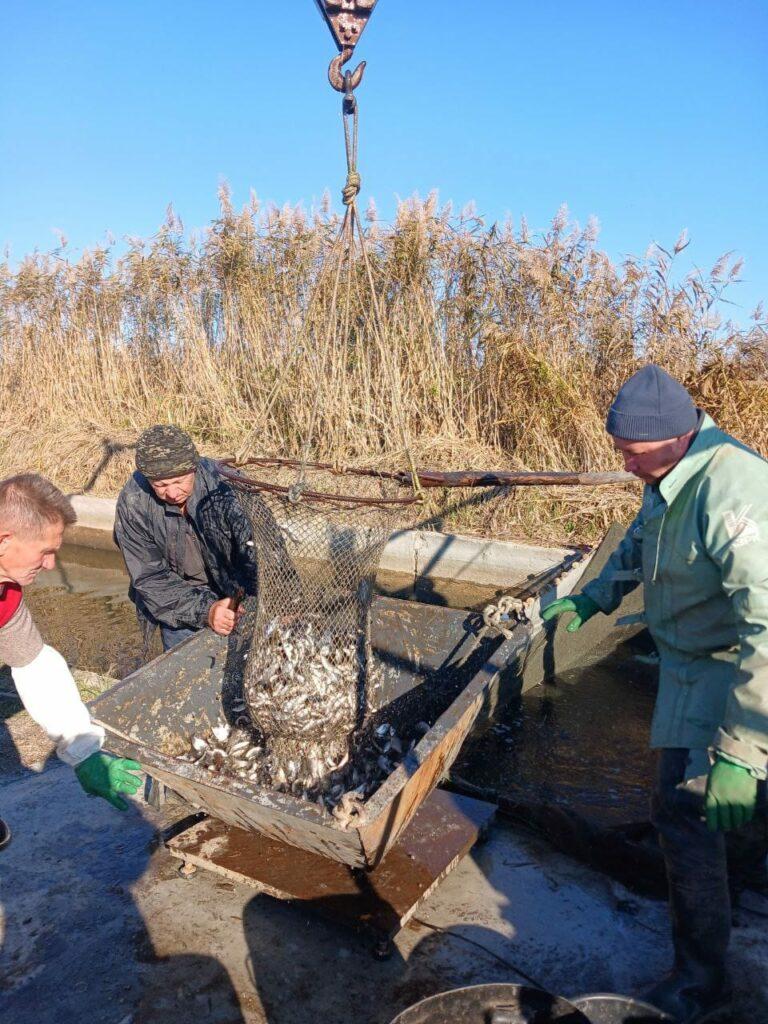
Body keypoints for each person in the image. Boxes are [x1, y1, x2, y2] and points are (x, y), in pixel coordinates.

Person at [543, 364, 768, 1024]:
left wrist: (741, 752)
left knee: (684, 817)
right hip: (690, 666)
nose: (620, 460)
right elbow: (642, 542)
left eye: (627, 450)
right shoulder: (666, 477)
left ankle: (702, 984)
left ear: (674, 436)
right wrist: (595, 595)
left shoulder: (733, 490)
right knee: (710, 818)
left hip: (736, 675)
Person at [0, 473, 143, 849]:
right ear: (4, 541)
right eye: (44, 552)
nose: (50, 565)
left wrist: (84, 752)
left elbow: (34, 664)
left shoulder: (7, 592)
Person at [114, 425, 256, 651]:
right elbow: (150, 577)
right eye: (160, 485)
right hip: (177, 600)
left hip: (236, 592)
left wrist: (253, 600)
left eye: (179, 482)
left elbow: (263, 552)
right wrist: (207, 611)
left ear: (194, 468)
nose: (171, 493)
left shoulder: (227, 486)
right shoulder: (134, 503)